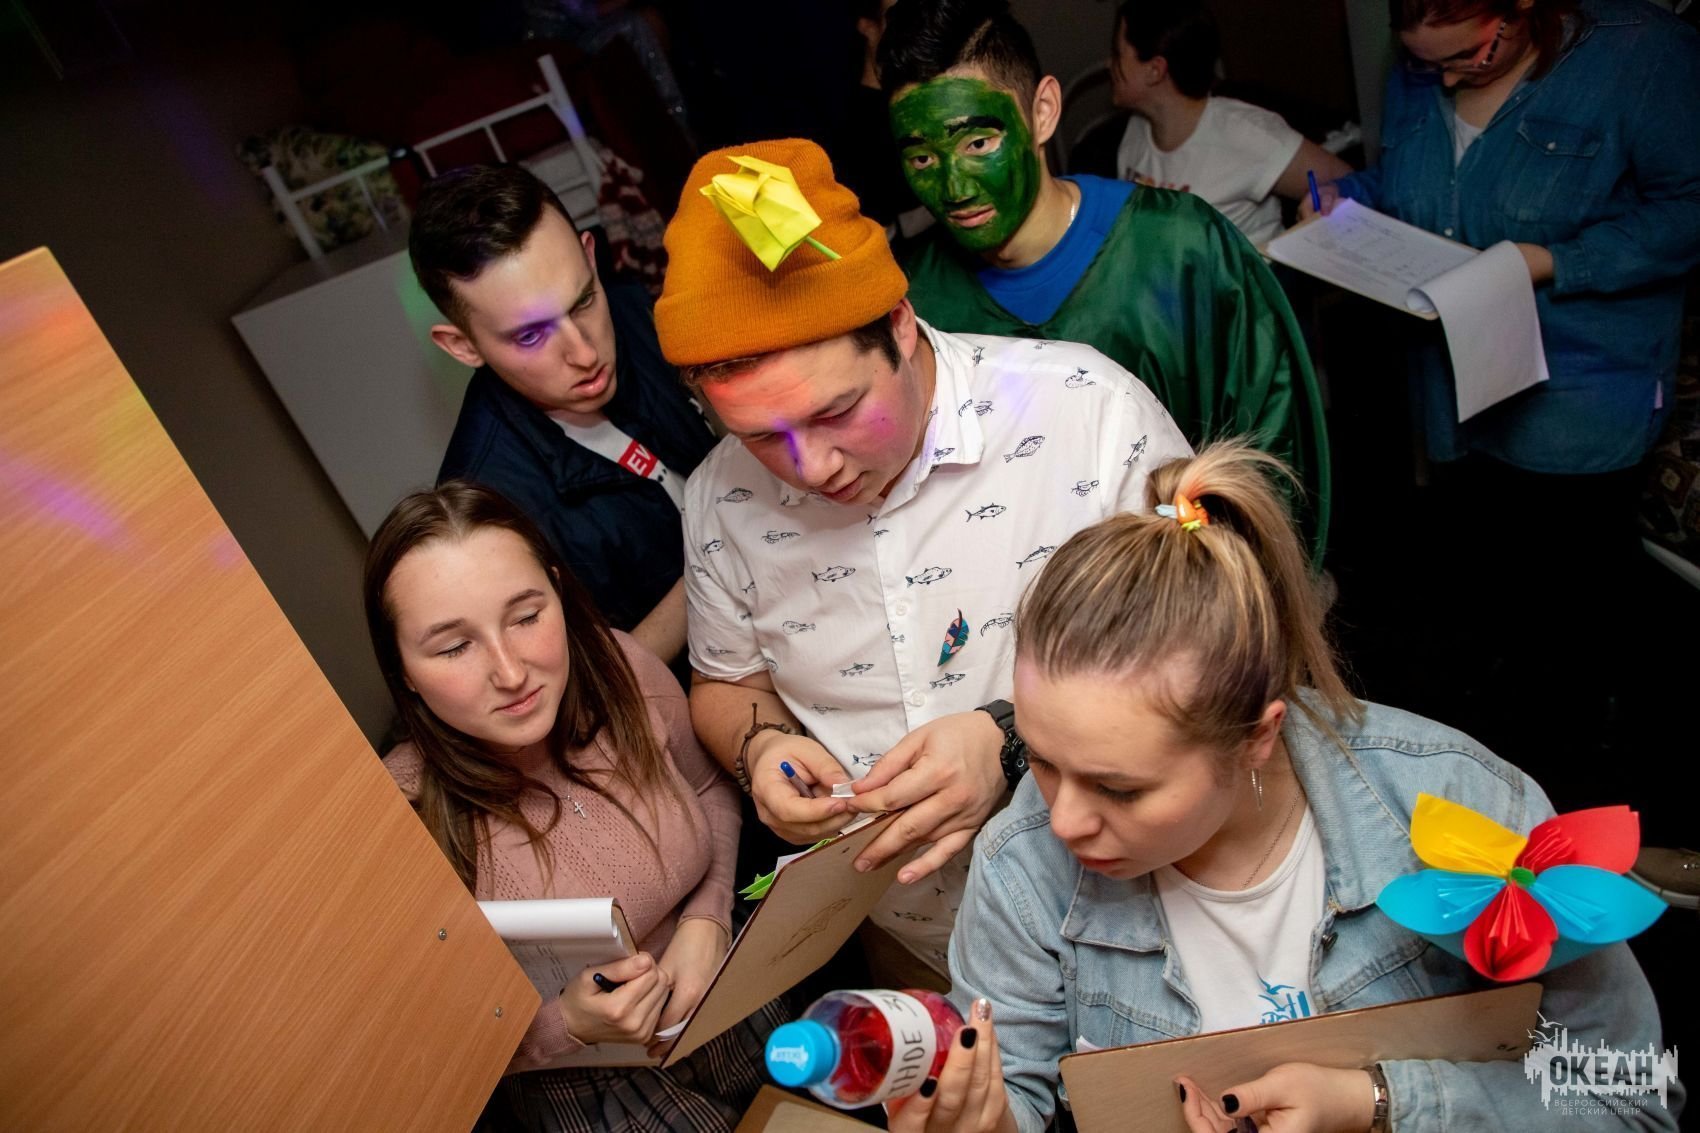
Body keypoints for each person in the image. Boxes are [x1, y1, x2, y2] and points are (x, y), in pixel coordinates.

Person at [888, 442, 1681, 1133]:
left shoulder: (1464, 805)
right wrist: (982, 1119)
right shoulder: (1021, 865)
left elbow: (1631, 1100)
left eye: (1119, 789)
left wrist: (1376, 1102)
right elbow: (1019, 1097)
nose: (1062, 820)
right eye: (1042, 760)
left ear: (1257, 736)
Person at [651, 136, 1192, 984]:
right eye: (761, 436)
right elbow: (727, 682)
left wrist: (1011, 738)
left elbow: (1213, 643)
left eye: (837, 411)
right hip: (918, 942)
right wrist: (762, 751)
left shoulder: (1088, 411)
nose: (810, 467)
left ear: (898, 325)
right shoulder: (721, 495)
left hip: (1144, 916)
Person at [1303, 0, 1700, 791]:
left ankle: (1595, 789)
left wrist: (1548, 260)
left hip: (1578, 383)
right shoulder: (1421, 64)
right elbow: (1413, 183)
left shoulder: (1644, 53)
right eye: (1429, 64)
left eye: (1470, 57)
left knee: (1571, 612)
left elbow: (1685, 211)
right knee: (1490, 600)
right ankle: (1513, 776)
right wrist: (1348, 202)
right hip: (1456, 381)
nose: (1448, 79)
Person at [363, 481, 784, 1131]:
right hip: (593, 1092)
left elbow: (707, 788)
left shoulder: (622, 669)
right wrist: (568, 1024)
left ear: (558, 593)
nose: (511, 671)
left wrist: (708, 919)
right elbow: (419, 1043)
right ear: (404, 673)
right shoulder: (400, 813)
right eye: (454, 647)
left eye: (526, 616)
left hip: (728, 991)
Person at [877, 0, 1332, 556]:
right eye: (923, 159)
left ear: (1043, 112)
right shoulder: (916, 303)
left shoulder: (1181, 251)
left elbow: (1271, 465)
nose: (954, 188)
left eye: (978, 144)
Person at [409, 164, 717, 685]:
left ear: (590, 257)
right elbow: (586, 690)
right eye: (530, 336)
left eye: (584, 301)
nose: (585, 353)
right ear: (462, 346)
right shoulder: (489, 511)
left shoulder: (640, 311)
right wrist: (726, 556)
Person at [1110, 0, 1353, 246]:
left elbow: (1348, 184)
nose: (1110, 64)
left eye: (1118, 54)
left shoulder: (1246, 133)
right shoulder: (1136, 129)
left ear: (1155, 70)